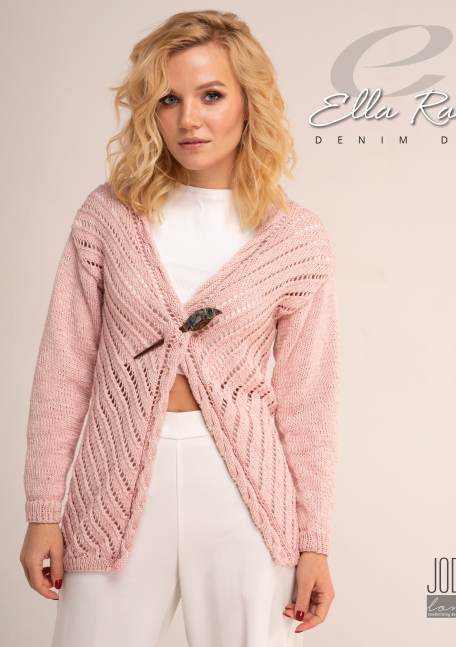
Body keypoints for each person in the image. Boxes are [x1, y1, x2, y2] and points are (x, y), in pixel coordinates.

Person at [19, 10, 339, 647]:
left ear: (248, 102)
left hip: (247, 499)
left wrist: (315, 543)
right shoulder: (109, 216)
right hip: (112, 487)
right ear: (151, 111)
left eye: (211, 95)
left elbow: (309, 401)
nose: (189, 118)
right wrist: (43, 510)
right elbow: (64, 367)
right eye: (169, 99)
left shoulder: (295, 238)